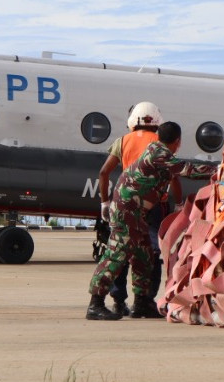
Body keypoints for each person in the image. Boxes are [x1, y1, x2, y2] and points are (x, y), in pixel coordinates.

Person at [87, 121, 215, 320]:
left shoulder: (159, 152)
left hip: (135, 211)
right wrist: (218, 170)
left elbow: (175, 174)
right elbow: (186, 170)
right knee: (117, 254)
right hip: (127, 210)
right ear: (178, 141)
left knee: (144, 256)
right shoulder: (159, 153)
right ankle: (95, 303)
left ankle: (142, 303)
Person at [98, 102, 176, 316]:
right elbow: (173, 174)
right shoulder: (161, 142)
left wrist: (105, 202)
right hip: (154, 206)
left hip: (126, 204)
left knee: (121, 252)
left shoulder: (122, 141)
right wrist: (177, 203)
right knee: (150, 253)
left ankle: (118, 301)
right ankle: (144, 301)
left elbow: (104, 173)